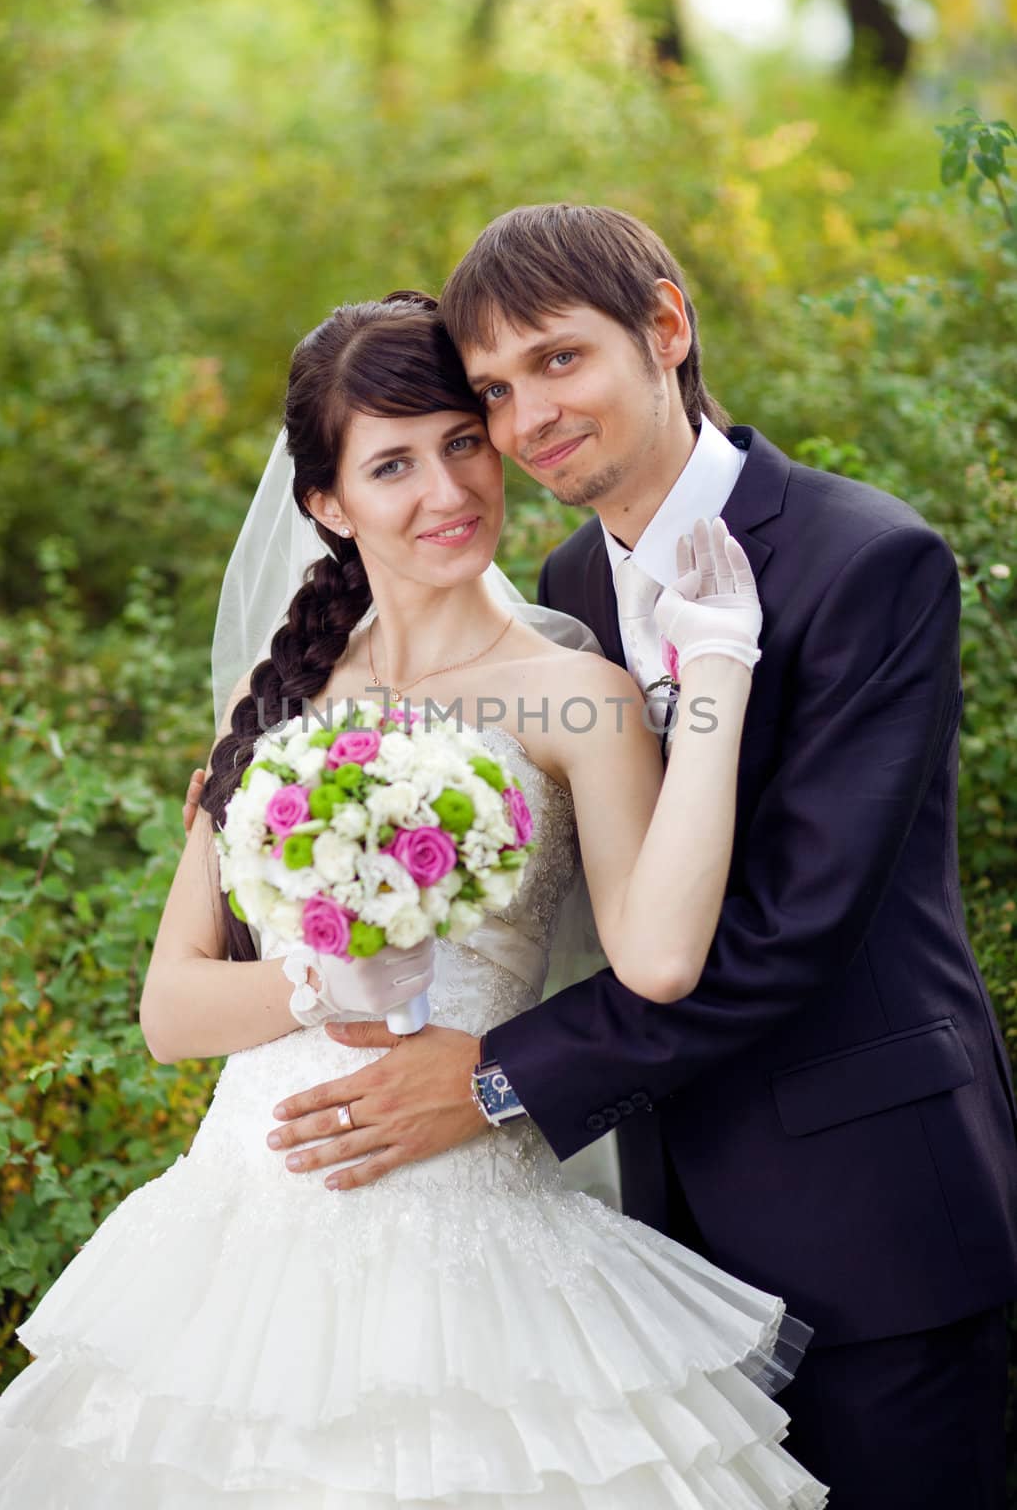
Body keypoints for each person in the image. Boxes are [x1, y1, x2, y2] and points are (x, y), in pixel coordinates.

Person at [0, 292, 828, 1507]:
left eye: (464, 441)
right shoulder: (276, 703)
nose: (446, 490)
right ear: (327, 502)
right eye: (392, 464)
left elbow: (663, 960)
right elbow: (170, 1009)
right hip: (237, 1259)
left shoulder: (575, 696)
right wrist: (321, 978)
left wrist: (719, 668)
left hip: (477, 1241)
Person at [222, 208, 1017, 1510]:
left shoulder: (865, 562)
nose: (526, 418)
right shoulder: (556, 591)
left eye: (556, 360)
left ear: (664, 325)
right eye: (493, 388)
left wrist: (487, 1081)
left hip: (868, 1216)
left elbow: (783, 933)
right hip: (642, 1233)